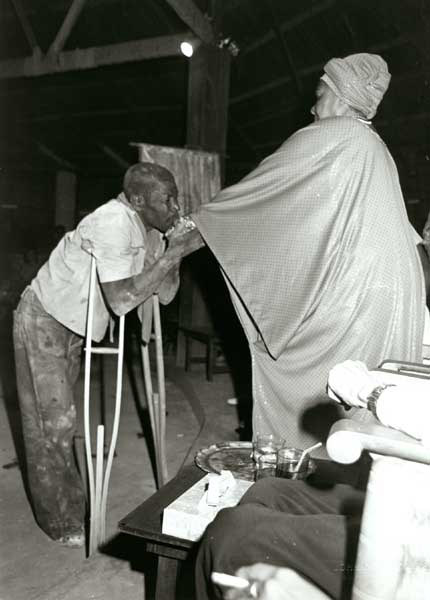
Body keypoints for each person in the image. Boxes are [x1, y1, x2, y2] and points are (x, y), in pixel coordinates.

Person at [192, 53, 426, 452]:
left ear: (340, 96)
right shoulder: (375, 148)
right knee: (364, 409)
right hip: (397, 304)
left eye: (320, 94)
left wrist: (203, 218)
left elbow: (262, 194)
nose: (313, 106)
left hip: (361, 305)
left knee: (308, 381)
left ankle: (295, 471)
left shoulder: (335, 134)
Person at [12, 162, 202, 547]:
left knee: (60, 422)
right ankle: (62, 522)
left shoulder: (148, 231)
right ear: (137, 200)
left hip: (72, 325)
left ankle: (67, 504)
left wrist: (174, 253)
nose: (176, 208)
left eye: (176, 198)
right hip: (43, 320)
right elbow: (121, 299)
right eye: (167, 199)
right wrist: (174, 251)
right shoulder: (113, 221)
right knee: (54, 424)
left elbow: (163, 295)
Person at [195, 359, 430, 600]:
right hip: (417, 499)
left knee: (233, 533)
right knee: (268, 490)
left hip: (419, 543)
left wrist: (373, 393)